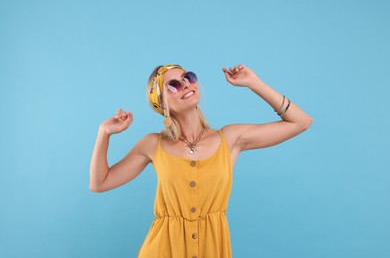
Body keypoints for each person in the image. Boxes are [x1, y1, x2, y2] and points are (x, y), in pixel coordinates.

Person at [89, 64, 313, 258]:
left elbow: (301, 122)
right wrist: (104, 133)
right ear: (162, 104)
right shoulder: (152, 144)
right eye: (173, 85)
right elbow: (100, 183)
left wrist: (254, 83)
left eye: (188, 77)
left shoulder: (230, 139)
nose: (185, 84)